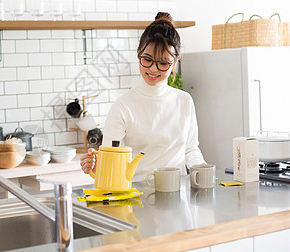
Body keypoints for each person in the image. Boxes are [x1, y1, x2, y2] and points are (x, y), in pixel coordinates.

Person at [80, 12, 206, 182]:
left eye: (163, 63)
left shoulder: (184, 101)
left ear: (175, 62)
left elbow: (190, 149)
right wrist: (95, 164)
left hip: (178, 196)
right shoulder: (123, 106)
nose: (153, 69)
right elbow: (110, 159)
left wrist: (204, 170)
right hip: (137, 198)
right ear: (138, 53)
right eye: (147, 59)